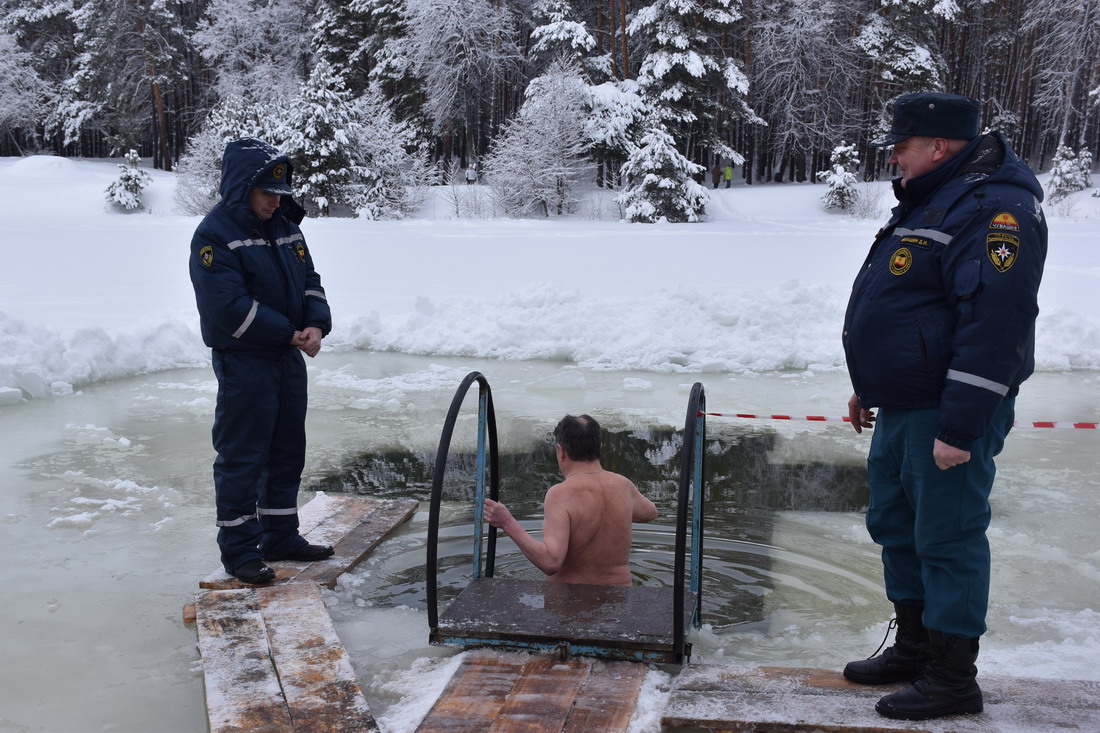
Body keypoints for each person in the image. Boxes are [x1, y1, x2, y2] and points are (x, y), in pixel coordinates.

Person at [841, 93, 1047, 721]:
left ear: (938, 145)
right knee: (896, 527)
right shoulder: (937, 197)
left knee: (947, 538)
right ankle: (914, 648)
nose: (894, 160)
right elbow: (908, 304)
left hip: (945, 410)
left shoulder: (996, 209)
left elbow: (996, 325)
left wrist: (960, 426)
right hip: (905, 404)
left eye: (901, 147)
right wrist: (871, 383)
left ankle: (953, 677)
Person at [189, 138, 336, 585]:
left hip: (287, 358)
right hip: (245, 362)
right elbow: (227, 307)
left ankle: (280, 535)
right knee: (243, 454)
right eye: (267, 193)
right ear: (242, 187)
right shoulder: (214, 235)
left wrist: (316, 323)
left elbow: (309, 278)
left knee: (287, 449)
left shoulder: (286, 226)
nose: (276, 201)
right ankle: (238, 549)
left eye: (282, 193)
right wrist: (285, 331)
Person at [482, 414, 658, 586]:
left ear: (561, 451)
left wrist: (507, 522)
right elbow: (650, 512)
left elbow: (550, 562)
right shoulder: (623, 485)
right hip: (621, 600)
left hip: (573, 605)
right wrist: (618, 510)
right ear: (599, 447)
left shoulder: (560, 495)